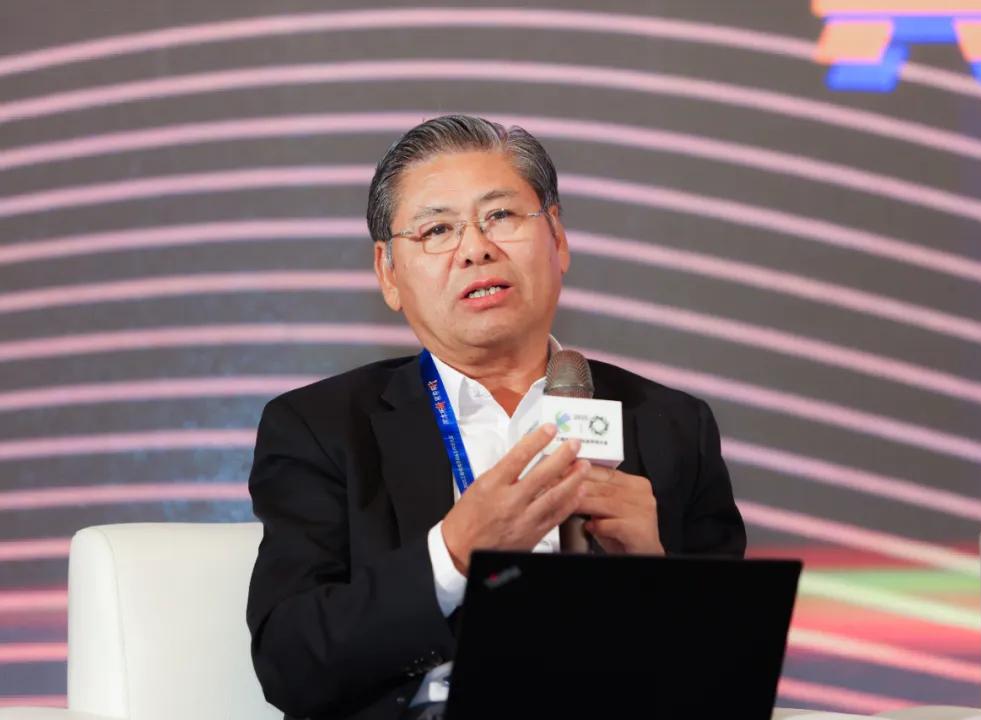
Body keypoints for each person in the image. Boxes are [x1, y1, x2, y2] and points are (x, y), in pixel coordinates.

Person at [246, 115, 746, 720]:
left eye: (502, 216)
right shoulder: (322, 428)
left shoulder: (671, 426)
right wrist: (454, 553)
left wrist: (653, 571)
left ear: (557, 239)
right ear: (388, 273)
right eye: (437, 229)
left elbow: (730, 681)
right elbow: (291, 662)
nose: (476, 248)